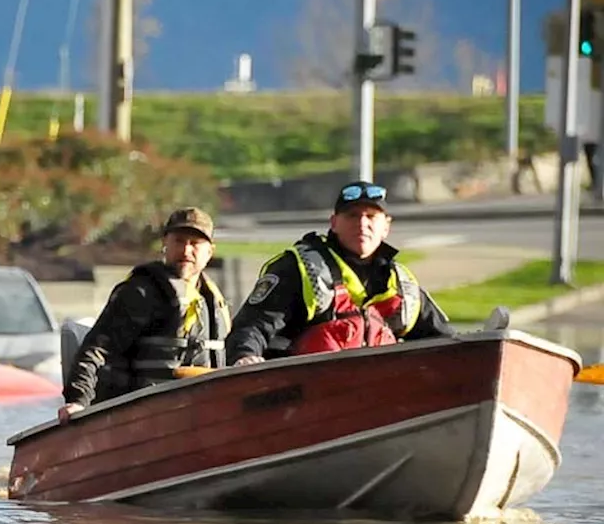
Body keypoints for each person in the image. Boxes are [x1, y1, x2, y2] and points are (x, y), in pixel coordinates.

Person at [225, 180, 454, 366]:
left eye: (371, 216)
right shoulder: (299, 269)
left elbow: (445, 343)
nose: (362, 224)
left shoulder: (403, 285)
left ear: (386, 226)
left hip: (384, 394)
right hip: (307, 394)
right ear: (334, 223)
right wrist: (245, 356)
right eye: (352, 216)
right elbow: (253, 326)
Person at [58, 207, 231, 423]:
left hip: (199, 412)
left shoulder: (211, 300)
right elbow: (96, 349)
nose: (186, 251)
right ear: (164, 244)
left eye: (195, 244)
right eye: (179, 241)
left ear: (210, 251)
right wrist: (78, 401)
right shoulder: (140, 293)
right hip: (144, 413)